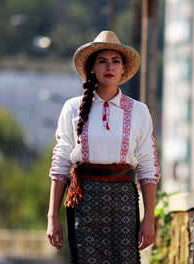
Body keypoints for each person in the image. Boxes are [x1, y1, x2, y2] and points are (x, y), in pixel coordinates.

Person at [46, 31, 160, 263]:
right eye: (102, 61)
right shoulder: (72, 108)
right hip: (83, 201)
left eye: (115, 61)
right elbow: (61, 165)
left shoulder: (139, 111)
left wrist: (148, 219)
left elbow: (148, 167)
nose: (110, 67)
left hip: (124, 202)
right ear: (92, 69)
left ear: (122, 69)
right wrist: (52, 217)